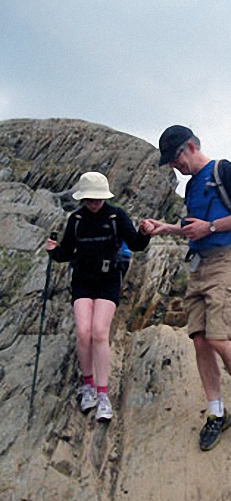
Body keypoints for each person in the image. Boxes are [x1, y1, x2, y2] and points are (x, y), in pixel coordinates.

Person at [143, 125, 231, 451]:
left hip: (227, 261)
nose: (173, 166)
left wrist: (210, 226)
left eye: (175, 157)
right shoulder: (192, 187)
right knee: (199, 340)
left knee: (218, 336)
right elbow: (191, 229)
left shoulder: (224, 170)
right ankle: (216, 412)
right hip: (199, 266)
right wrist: (164, 228)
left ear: (192, 147)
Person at [45, 171, 154, 421]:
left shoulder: (117, 216)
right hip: (82, 280)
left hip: (108, 280)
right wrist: (54, 251)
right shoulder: (77, 219)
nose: (95, 203)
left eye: (98, 198)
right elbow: (66, 252)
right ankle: (88, 386)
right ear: (83, 198)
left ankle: (103, 395)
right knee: (83, 332)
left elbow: (136, 244)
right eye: (90, 199)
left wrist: (145, 232)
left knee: (99, 332)